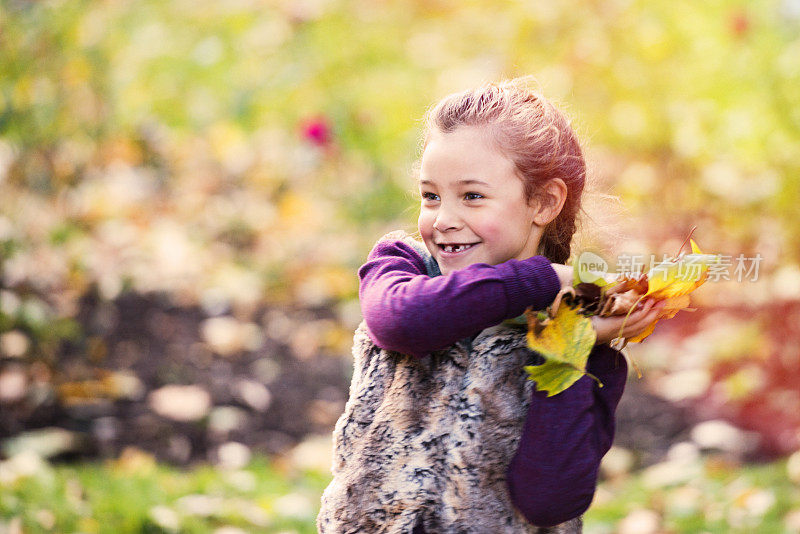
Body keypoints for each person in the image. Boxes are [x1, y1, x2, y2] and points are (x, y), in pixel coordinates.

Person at [316, 78, 664, 534]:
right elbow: (401, 322)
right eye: (431, 195)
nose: (443, 220)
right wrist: (538, 279)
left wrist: (567, 347)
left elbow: (548, 500)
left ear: (544, 202)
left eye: (473, 196)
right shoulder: (400, 271)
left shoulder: (582, 340)